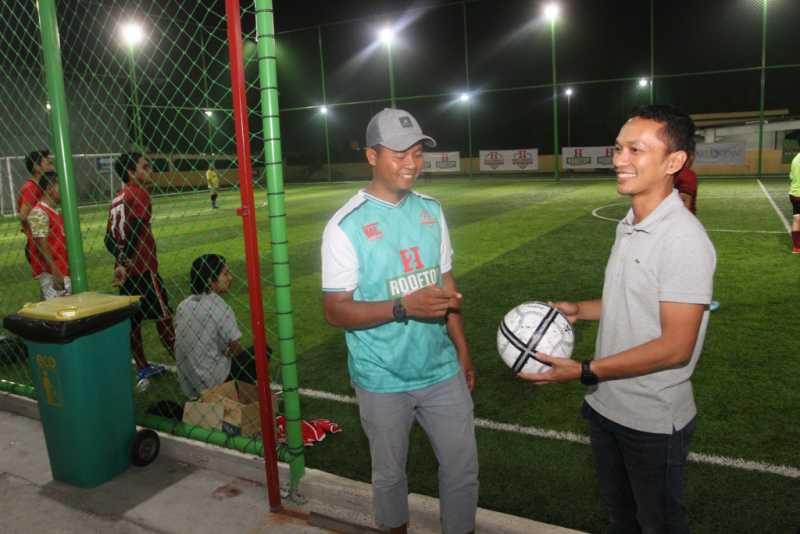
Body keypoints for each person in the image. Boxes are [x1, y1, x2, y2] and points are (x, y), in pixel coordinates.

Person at [523, 105, 716, 534]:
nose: (617, 159)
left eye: (634, 149)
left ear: (673, 162)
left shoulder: (683, 240)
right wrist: (580, 309)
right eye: (617, 147)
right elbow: (631, 301)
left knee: (659, 525)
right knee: (621, 522)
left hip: (651, 421)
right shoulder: (629, 223)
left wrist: (586, 370)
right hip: (606, 408)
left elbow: (676, 346)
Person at [321, 108, 478, 534]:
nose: (411, 162)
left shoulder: (431, 210)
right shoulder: (345, 227)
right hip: (381, 377)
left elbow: (446, 280)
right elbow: (335, 310)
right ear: (372, 156)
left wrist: (462, 348)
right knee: (390, 478)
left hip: (441, 369)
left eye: (417, 152)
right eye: (398, 153)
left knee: (462, 471)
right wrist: (401, 307)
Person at [105, 152, 175, 386]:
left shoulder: (117, 198)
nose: (150, 170)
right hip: (143, 268)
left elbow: (108, 238)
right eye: (145, 167)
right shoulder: (139, 194)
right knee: (164, 317)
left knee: (132, 322)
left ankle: (143, 369)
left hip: (125, 272)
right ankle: (186, 364)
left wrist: (120, 261)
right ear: (131, 173)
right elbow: (135, 230)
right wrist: (128, 262)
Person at [175, 254, 261, 398]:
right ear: (210, 280)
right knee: (262, 351)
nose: (230, 278)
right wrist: (227, 351)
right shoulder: (221, 307)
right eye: (225, 274)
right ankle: (241, 395)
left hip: (189, 383)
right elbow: (234, 348)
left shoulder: (182, 306)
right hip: (215, 380)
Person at [673, 156, 720, 311]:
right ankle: (698, 301)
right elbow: (685, 199)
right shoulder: (687, 174)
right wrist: (685, 225)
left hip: (670, 224)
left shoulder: (670, 173)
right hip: (681, 225)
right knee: (692, 262)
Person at [28, 172, 70, 300]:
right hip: (52, 274)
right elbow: (41, 244)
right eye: (60, 186)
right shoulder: (38, 212)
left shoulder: (55, 212)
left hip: (62, 270)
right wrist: (55, 271)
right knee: (60, 313)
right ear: (50, 188)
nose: (64, 190)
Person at [17, 149, 54, 263]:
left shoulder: (41, 187)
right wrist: (33, 233)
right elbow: (23, 216)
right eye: (48, 163)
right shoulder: (31, 188)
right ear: (37, 167)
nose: (52, 167)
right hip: (38, 244)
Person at [789, 151, 800, 254]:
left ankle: (796, 248)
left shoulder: (795, 159)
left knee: (797, 219)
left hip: (794, 193)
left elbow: (791, 176)